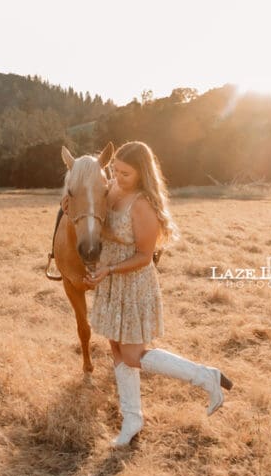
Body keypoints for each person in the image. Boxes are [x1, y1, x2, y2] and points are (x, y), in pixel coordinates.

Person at [83, 141, 232, 447]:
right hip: (110, 285)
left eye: (126, 174)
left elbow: (143, 256)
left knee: (133, 355)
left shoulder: (141, 204)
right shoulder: (110, 190)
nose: (117, 177)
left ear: (141, 175)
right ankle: (132, 419)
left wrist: (109, 270)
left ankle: (207, 377)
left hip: (133, 284)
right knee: (116, 350)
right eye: (115, 171)